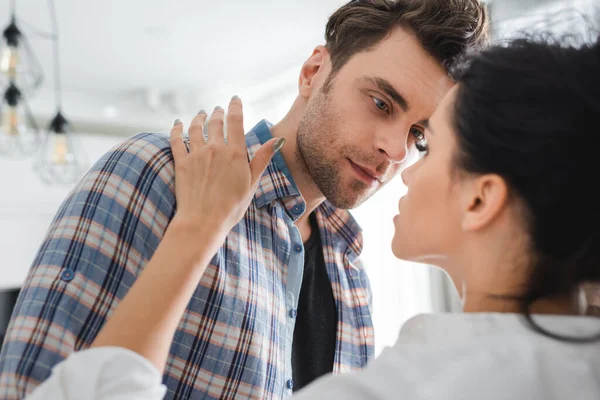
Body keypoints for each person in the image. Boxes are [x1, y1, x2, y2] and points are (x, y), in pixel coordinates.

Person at [25, 33, 600, 399]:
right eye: (380, 102)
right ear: (311, 72)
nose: (396, 152)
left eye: (422, 137)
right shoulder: (160, 173)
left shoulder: (354, 280)